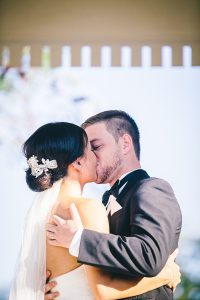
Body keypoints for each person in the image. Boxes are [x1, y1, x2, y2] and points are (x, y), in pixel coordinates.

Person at [9, 121, 180, 300]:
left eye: (97, 146)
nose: (95, 155)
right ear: (77, 162)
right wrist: (166, 274)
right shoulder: (87, 208)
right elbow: (103, 292)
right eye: (91, 148)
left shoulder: (43, 217)